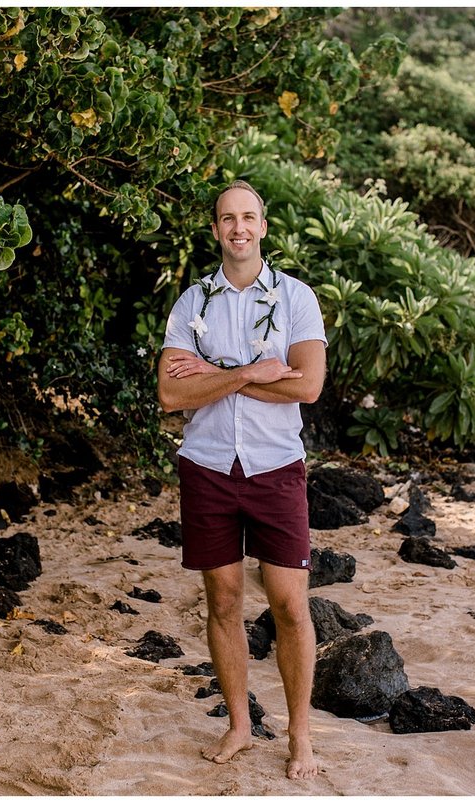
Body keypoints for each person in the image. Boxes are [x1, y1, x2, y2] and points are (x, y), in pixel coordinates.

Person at [157, 180, 327, 780]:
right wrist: (252, 372)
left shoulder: (296, 299)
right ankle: (239, 725)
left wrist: (218, 372)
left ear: (263, 226)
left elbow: (306, 386)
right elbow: (171, 393)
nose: (238, 228)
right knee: (223, 601)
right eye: (227, 218)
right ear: (215, 229)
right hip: (207, 467)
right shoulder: (191, 303)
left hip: (276, 467)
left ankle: (300, 736)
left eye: (248, 217)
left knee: (288, 604)